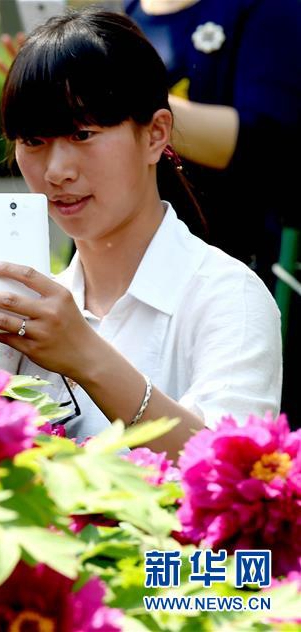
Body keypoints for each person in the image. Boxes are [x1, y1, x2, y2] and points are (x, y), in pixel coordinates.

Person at [0, 9, 282, 458]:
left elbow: (230, 474)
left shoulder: (229, 298)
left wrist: (85, 357)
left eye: (82, 134)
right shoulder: (25, 306)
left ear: (155, 135)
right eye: (33, 142)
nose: (56, 172)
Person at [125, 0, 301, 429]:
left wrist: (120, 91)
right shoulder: (133, 10)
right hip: (133, 265)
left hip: (239, 254)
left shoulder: (266, 10)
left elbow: (265, 139)